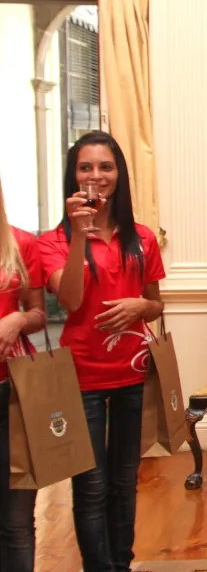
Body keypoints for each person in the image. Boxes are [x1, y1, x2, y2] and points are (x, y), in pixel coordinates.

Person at [38, 131, 166, 572]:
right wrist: (79, 236)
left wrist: (140, 307)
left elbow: (156, 303)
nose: (96, 175)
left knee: (125, 481)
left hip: (132, 371)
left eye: (105, 166)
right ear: (73, 176)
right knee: (91, 486)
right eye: (86, 167)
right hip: (80, 376)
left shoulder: (142, 238)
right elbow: (70, 300)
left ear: (119, 174)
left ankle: (122, 565)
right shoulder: (53, 241)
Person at [0, 178, 47, 572]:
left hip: (14, 392)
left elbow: (39, 314)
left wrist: (17, 320)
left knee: (16, 521)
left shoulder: (21, 244)